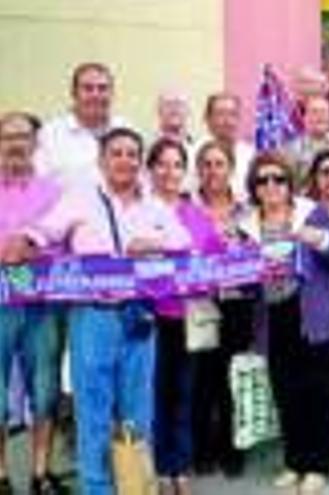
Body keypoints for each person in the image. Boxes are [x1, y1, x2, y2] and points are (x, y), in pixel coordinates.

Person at [4, 127, 188, 495]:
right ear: (102, 161)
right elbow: (47, 229)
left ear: (140, 162)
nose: (125, 160)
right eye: (116, 153)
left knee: (138, 414)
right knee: (94, 416)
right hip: (92, 319)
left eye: (132, 154)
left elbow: (183, 242)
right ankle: (97, 489)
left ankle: (135, 487)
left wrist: (150, 243)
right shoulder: (81, 198)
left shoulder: (154, 205)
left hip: (140, 318)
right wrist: (24, 241)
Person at [237, 153, 329, 494]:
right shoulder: (246, 225)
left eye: (278, 179)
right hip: (272, 319)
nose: (271, 185)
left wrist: (320, 239)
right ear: (254, 188)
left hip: (312, 317)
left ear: (289, 183)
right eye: (263, 180)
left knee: (317, 391)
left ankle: (317, 465)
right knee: (285, 393)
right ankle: (294, 461)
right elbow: (242, 284)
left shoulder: (311, 213)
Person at [146, 138, 224, 495]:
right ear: (151, 170)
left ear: (184, 171)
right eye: (162, 164)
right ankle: (159, 465)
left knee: (184, 393)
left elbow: (220, 261)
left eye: (177, 164)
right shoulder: (140, 210)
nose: (169, 171)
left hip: (190, 317)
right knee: (155, 393)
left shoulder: (197, 215)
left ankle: (179, 464)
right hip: (149, 317)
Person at [0, 112, 65, 494]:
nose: (15, 143)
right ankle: (3, 474)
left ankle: (41, 471)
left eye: (23, 136)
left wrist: (32, 242)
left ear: (36, 143)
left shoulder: (52, 192)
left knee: (45, 388)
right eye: (7, 136)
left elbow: (66, 241)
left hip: (43, 305)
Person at [190, 140, 252, 477]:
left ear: (231, 169)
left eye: (220, 164)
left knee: (233, 377)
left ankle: (232, 448)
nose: (214, 170)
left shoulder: (245, 209)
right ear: (199, 170)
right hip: (198, 305)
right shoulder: (187, 209)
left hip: (237, 303)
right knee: (202, 378)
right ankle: (202, 448)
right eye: (208, 164)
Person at [35, 62, 131, 190]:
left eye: (102, 88)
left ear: (111, 94)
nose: (95, 94)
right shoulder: (50, 134)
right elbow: (38, 183)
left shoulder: (126, 129)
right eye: (88, 88)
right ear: (74, 94)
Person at [195, 93, 255, 200]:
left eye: (232, 114)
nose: (227, 121)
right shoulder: (193, 153)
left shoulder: (250, 154)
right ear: (207, 119)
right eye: (220, 114)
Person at [286, 96, 329, 184]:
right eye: (314, 112)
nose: (320, 116)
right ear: (305, 118)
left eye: (324, 112)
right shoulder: (292, 148)